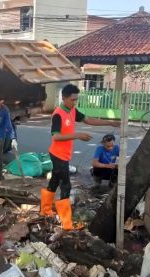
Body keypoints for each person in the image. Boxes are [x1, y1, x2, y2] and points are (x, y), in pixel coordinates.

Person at [41, 84, 120, 230]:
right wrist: (78, 135)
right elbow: (56, 136)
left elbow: (88, 120)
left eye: (76, 100)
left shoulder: (71, 110)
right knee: (66, 185)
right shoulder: (58, 114)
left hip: (64, 154)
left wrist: (109, 122)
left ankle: (45, 210)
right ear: (63, 98)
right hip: (58, 155)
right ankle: (66, 223)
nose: (75, 102)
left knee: (55, 180)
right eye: (72, 100)